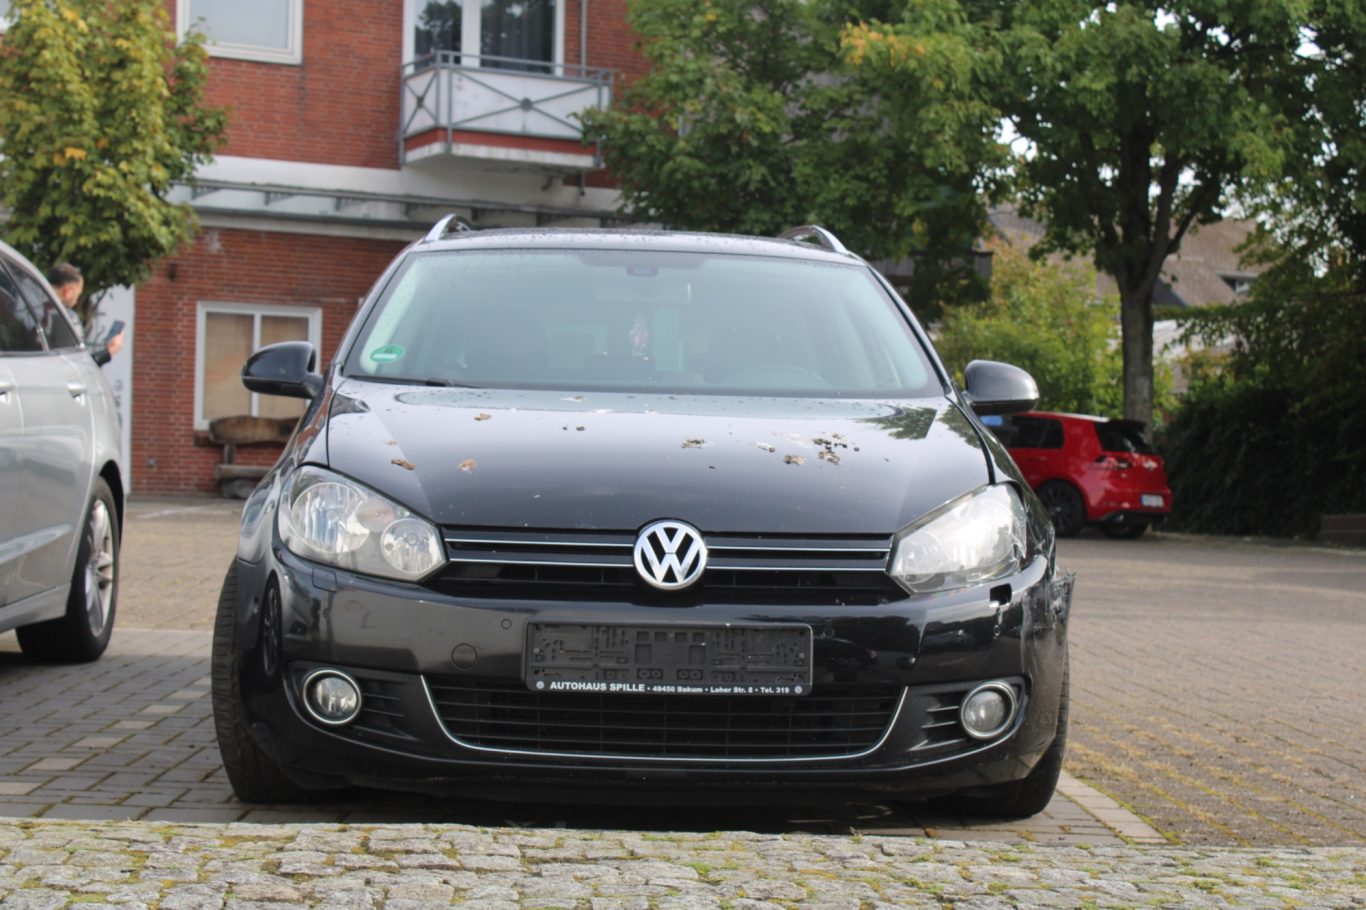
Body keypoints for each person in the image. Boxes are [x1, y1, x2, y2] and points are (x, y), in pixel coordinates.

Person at [47, 262, 123, 366]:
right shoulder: (68, 318)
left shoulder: (29, 310)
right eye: (77, 295)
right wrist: (109, 352)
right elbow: (80, 366)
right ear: (67, 291)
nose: (76, 302)